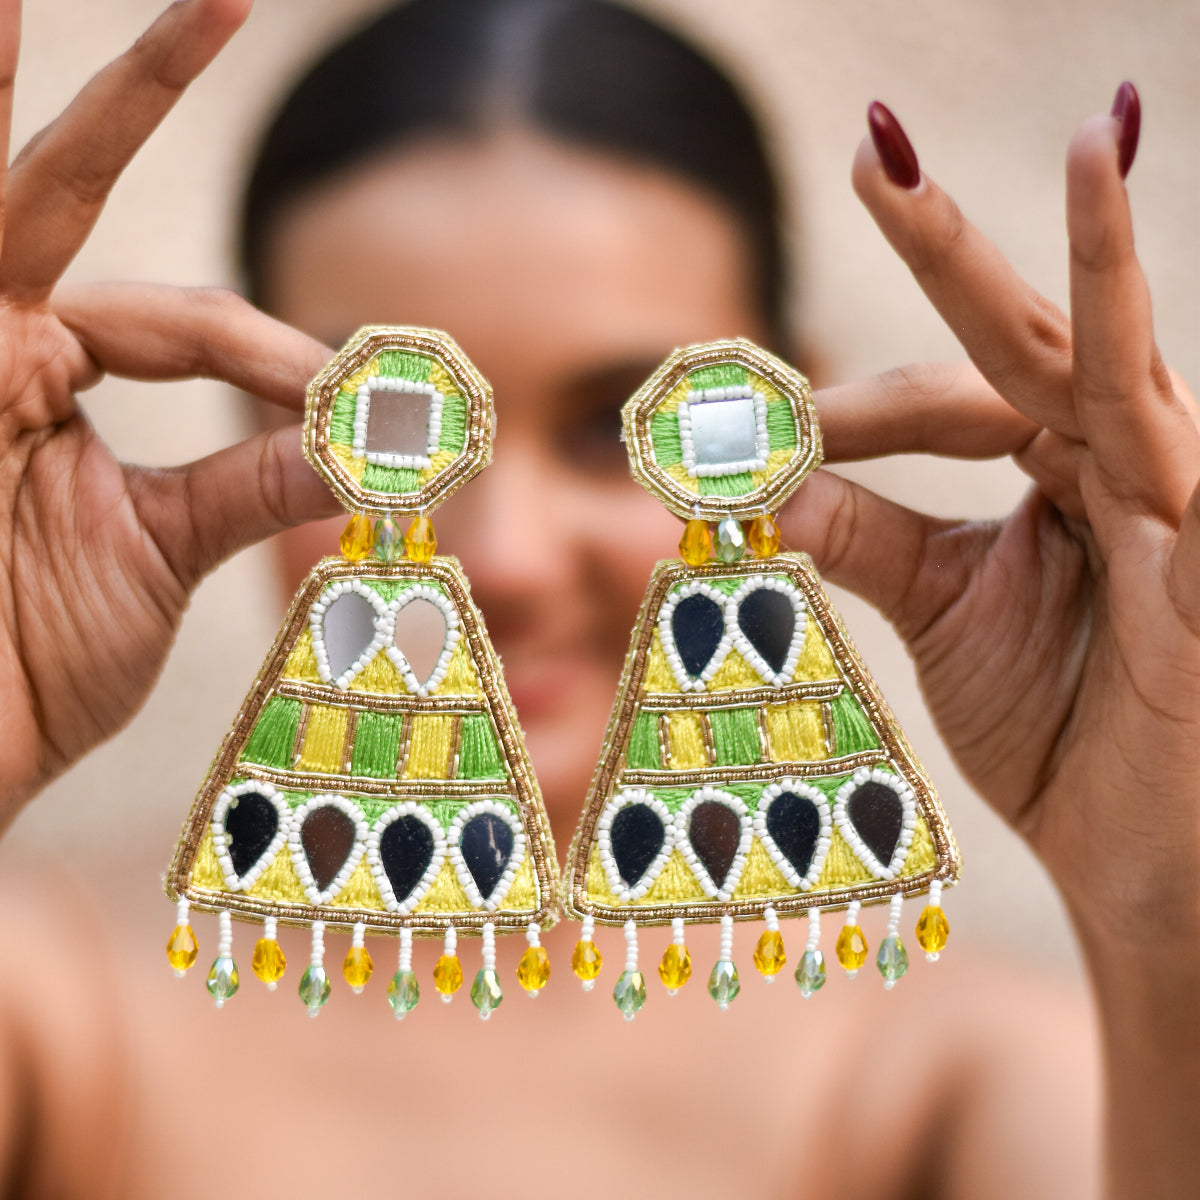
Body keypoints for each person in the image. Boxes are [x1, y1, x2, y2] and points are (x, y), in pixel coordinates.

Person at [0, 0, 1194, 1196]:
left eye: (627, 429)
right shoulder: (54, 1016)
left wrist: (1166, 918)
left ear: (797, 429)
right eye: (391, 427)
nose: (506, 561)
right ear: (251, 423)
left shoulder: (968, 1080)